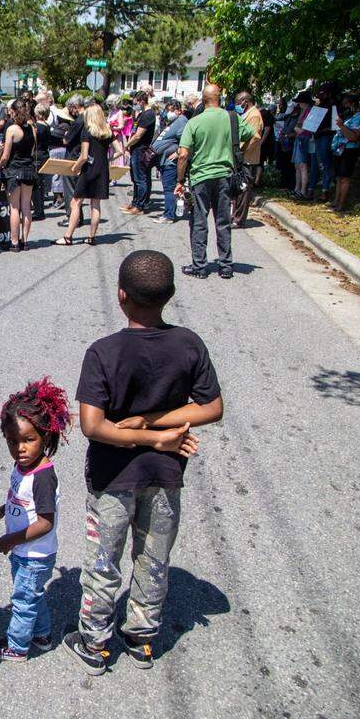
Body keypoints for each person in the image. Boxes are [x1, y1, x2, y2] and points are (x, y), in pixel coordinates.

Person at [63, 250, 223, 676]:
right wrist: (159, 436)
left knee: (103, 561)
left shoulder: (103, 352)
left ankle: (95, 642)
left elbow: (93, 427)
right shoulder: (189, 343)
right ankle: (141, 637)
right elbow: (211, 407)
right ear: (169, 295)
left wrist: (144, 424)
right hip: (165, 475)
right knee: (153, 559)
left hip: (112, 478)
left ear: (121, 296)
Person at [0, 377, 70, 664]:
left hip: (34, 554)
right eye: (12, 441)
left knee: (22, 601)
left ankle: (17, 646)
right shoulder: (25, 467)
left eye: (29, 440)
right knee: (32, 596)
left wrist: (11, 539)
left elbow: (45, 522)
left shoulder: (43, 476)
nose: (20, 448)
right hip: (24, 552)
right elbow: (19, 501)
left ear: (46, 436)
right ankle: (42, 634)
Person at [174, 84, 254, 279]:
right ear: (220, 98)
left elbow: (183, 154)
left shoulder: (194, 122)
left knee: (199, 221)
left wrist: (180, 180)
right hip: (225, 176)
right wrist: (238, 154)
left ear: (203, 99)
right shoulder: (232, 118)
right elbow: (253, 135)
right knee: (223, 221)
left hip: (200, 177)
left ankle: (199, 266)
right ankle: (226, 266)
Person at [55, 103, 111, 247]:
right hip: (103, 169)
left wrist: (75, 167)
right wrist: (107, 160)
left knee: (76, 202)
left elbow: (84, 156)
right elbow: (119, 151)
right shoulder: (107, 132)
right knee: (96, 204)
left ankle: (68, 237)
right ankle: (91, 237)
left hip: (89, 170)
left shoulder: (87, 131)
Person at [0, 99, 38, 252]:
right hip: (28, 169)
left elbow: (6, 155)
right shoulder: (32, 128)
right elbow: (33, 151)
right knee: (26, 206)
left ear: (14, 112)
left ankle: (14, 242)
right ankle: (25, 240)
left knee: (14, 208)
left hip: (13, 170)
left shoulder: (12, 129)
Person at [230, 91, 264, 229]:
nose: (238, 106)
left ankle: (238, 219)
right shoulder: (248, 114)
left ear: (246, 101)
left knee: (244, 190)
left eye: (239, 103)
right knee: (239, 189)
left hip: (248, 158)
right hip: (243, 159)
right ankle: (235, 216)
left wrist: (241, 151)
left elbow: (254, 137)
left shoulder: (254, 115)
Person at [329, 92, 360, 213]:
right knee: (339, 177)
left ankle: (341, 204)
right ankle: (335, 202)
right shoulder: (349, 116)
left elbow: (354, 137)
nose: (345, 105)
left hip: (350, 150)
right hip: (340, 149)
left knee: (345, 177)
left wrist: (341, 126)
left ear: (353, 104)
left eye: (347, 103)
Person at [150, 100, 187, 224]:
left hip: (170, 163)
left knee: (169, 189)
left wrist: (177, 152)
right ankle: (169, 212)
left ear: (179, 110)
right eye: (168, 110)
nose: (169, 113)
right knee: (168, 188)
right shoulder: (174, 122)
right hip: (163, 160)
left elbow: (186, 141)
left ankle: (169, 215)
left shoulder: (182, 122)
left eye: (172, 110)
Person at [122, 91, 157, 216]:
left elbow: (138, 135)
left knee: (140, 179)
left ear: (142, 101)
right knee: (135, 178)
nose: (135, 104)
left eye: (136, 102)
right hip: (135, 149)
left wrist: (127, 145)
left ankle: (140, 205)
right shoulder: (142, 114)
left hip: (141, 149)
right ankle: (135, 202)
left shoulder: (149, 114)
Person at [60, 96, 88, 227]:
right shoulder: (88, 117)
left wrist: (65, 133)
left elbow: (66, 140)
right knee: (78, 190)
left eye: (70, 108)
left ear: (74, 107)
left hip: (73, 156)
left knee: (70, 190)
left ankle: (71, 217)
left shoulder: (78, 121)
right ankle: (78, 217)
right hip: (81, 154)